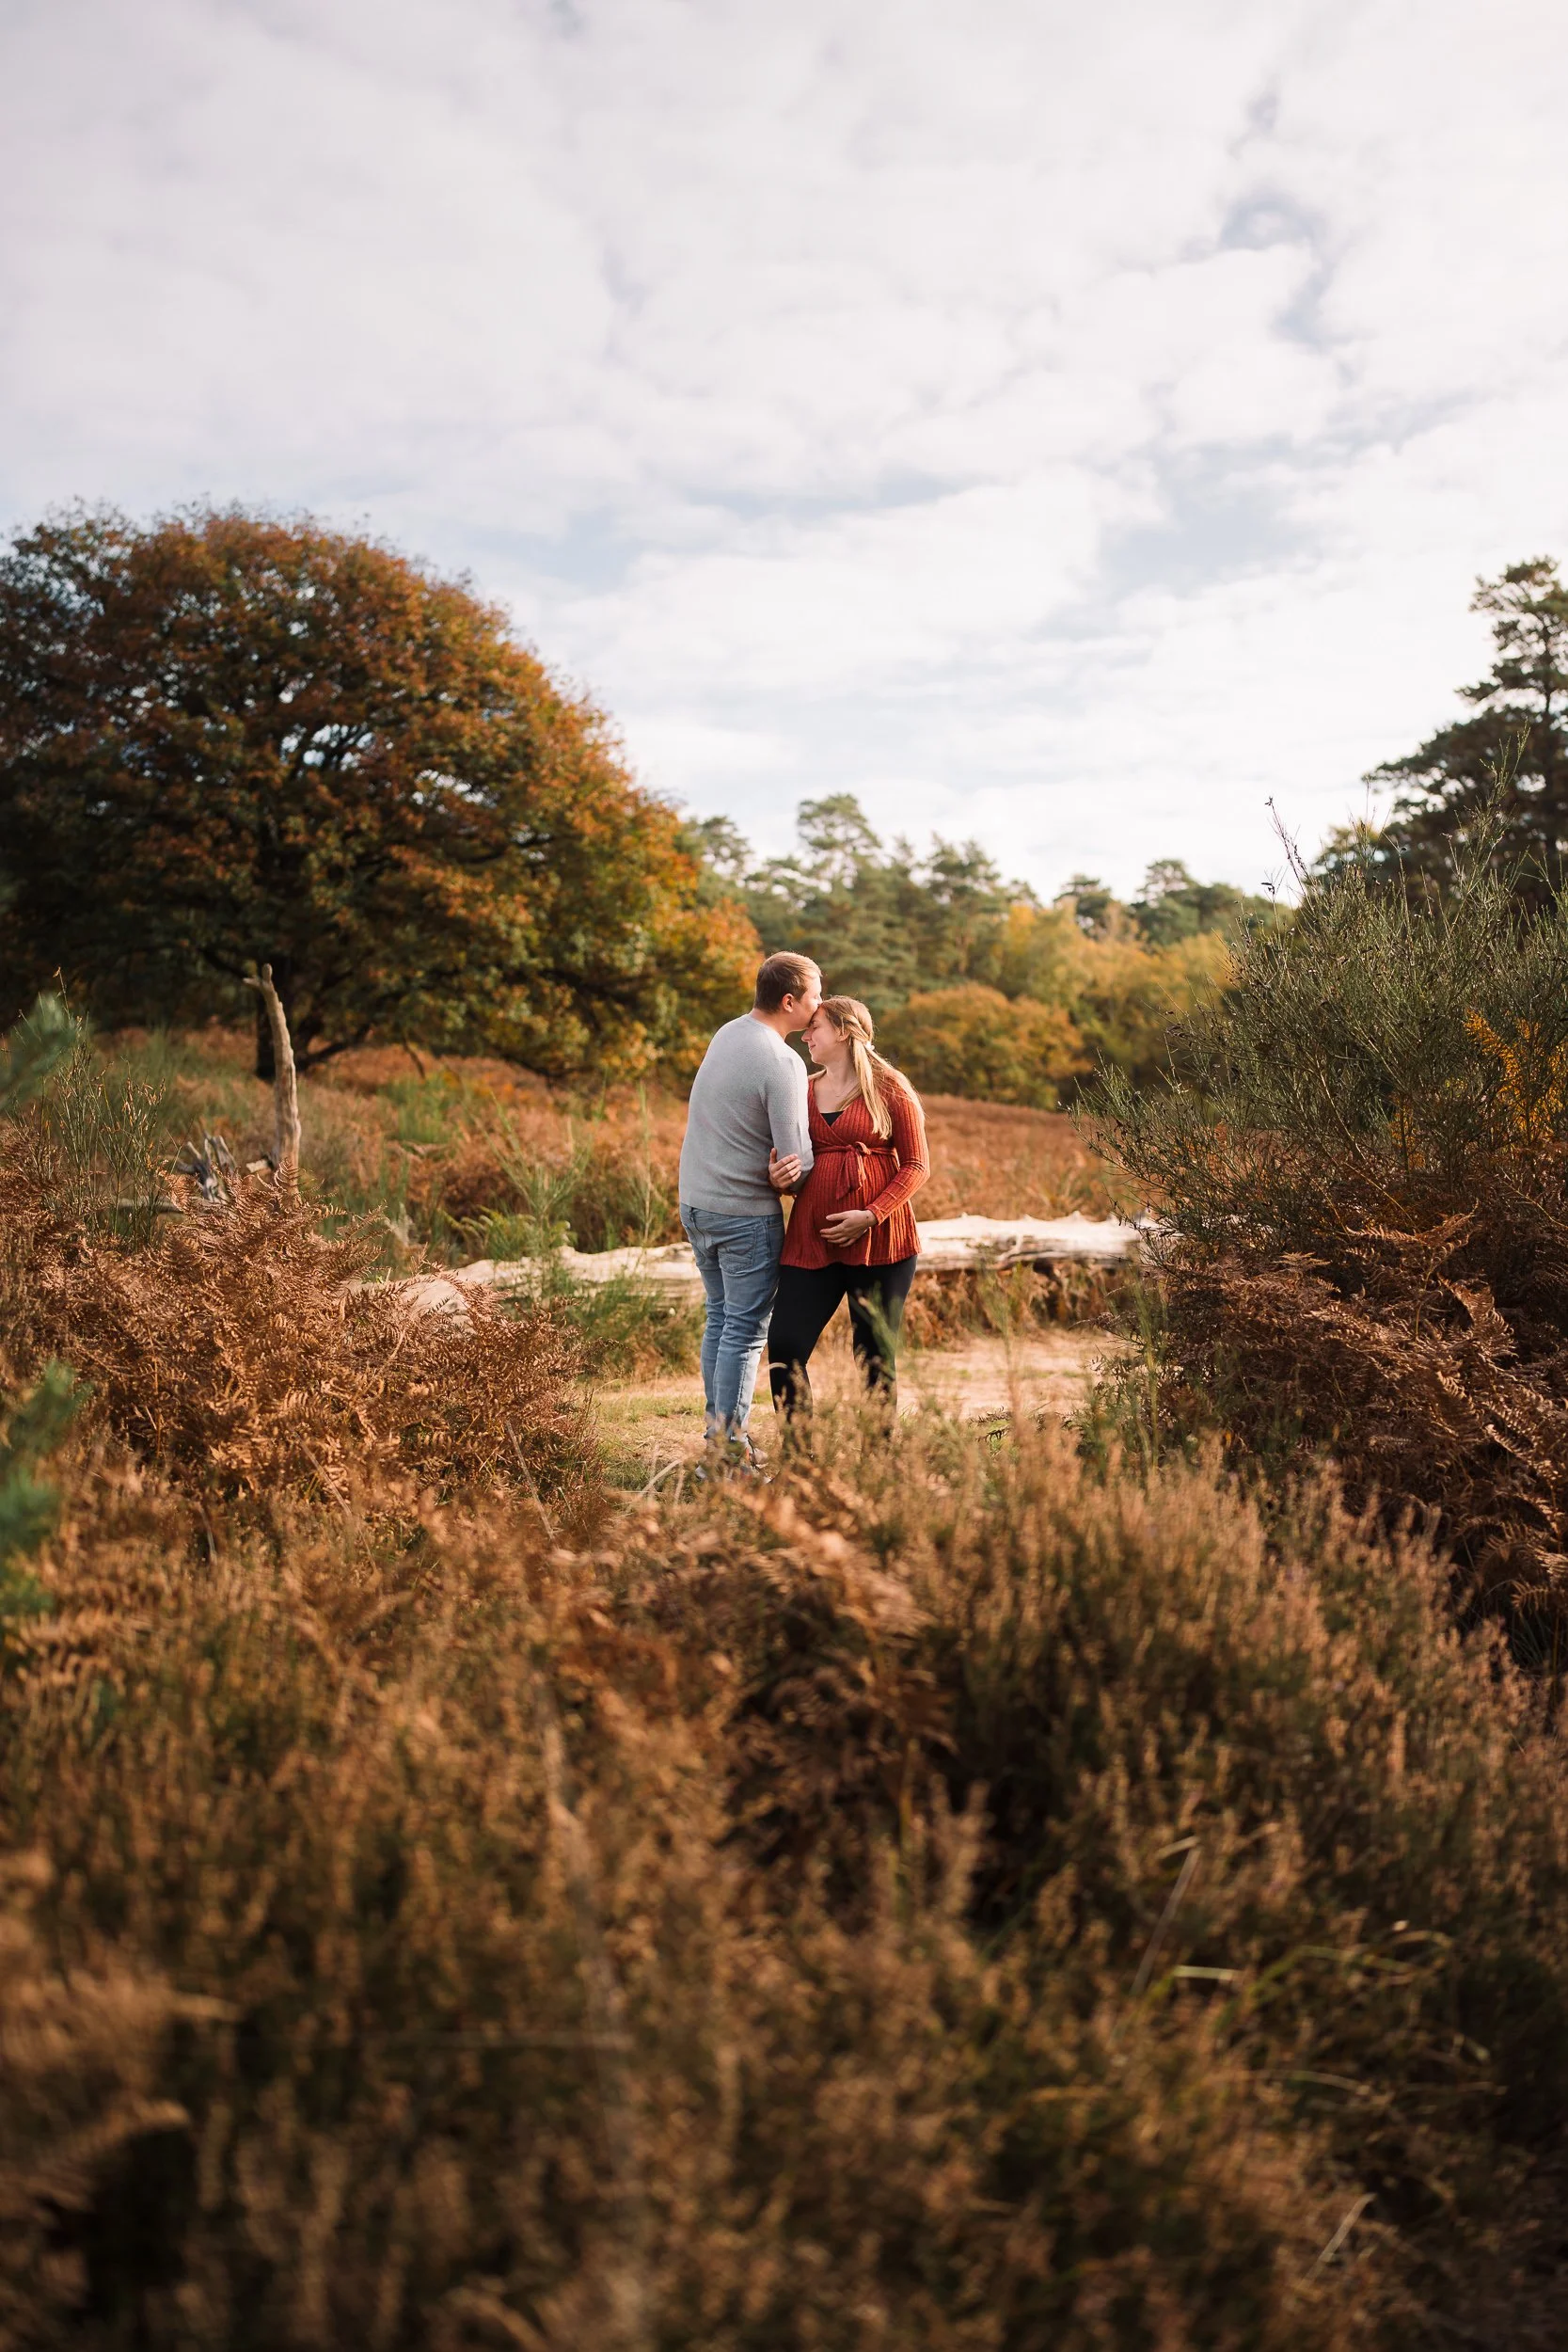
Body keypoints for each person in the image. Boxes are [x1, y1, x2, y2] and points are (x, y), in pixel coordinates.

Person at [678, 951, 821, 1467]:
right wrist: (798, 1174)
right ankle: (730, 1452)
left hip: (696, 1203)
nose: (820, 1004)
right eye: (815, 995)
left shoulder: (728, 1032)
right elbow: (797, 1163)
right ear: (790, 1001)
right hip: (742, 1216)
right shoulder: (782, 1061)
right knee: (743, 1329)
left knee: (720, 1319)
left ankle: (717, 1439)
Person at [768, 994, 929, 1419]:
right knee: (785, 1345)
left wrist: (871, 1214)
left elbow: (916, 1166)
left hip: (882, 1244)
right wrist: (778, 1179)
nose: (805, 1035)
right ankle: (801, 1457)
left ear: (843, 1030)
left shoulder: (890, 1087)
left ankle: (875, 1462)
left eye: (814, 1027)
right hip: (812, 1242)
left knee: (874, 1354)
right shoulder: (802, 1090)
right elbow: (788, 1160)